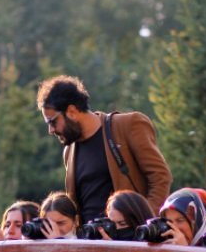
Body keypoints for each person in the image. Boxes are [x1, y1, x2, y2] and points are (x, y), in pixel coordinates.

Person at [37, 74, 172, 224]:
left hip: (128, 243)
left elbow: (160, 177)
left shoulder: (128, 126)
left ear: (72, 112)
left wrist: (143, 224)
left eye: (53, 121)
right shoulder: (69, 152)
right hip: (89, 243)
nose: (50, 130)